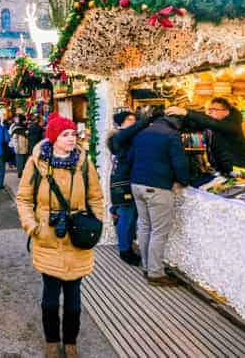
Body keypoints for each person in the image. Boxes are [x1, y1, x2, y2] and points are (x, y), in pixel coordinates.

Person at [16, 113, 104, 358]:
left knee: (74, 300)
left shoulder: (84, 163)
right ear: (54, 138)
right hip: (48, 236)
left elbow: (95, 197)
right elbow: (23, 199)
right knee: (50, 300)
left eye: (73, 134)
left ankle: (72, 342)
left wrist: (96, 224)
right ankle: (52, 341)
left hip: (77, 236)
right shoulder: (36, 163)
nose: (71, 138)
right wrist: (32, 226)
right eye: (66, 134)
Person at [128, 113, 190, 286]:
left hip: (137, 184)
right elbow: (180, 163)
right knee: (159, 230)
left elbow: (130, 158)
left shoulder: (142, 133)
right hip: (157, 186)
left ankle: (148, 267)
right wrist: (184, 181)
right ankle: (155, 273)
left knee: (145, 225)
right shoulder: (171, 135)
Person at [166, 97, 245, 171]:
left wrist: (186, 112)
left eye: (213, 110)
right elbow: (199, 125)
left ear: (226, 112)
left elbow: (212, 123)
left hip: (241, 170)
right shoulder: (210, 125)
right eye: (208, 110)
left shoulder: (232, 125)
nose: (208, 112)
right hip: (221, 170)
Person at [107, 110, 142, 266]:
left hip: (127, 179)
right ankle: (124, 250)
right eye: (129, 119)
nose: (132, 121)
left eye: (134, 119)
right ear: (120, 123)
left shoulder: (128, 136)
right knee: (127, 216)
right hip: (122, 181)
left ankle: (127, 245)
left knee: (130, 215)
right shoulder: (119, 138)